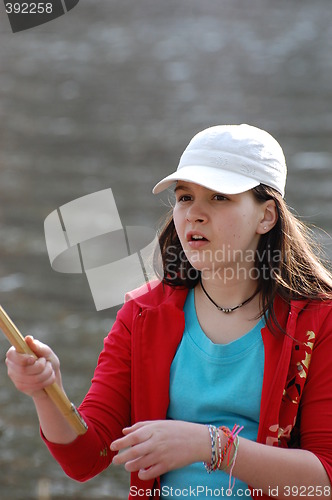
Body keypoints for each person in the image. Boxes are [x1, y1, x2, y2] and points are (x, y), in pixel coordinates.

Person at [6, 124, 332, 499]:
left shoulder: (319, 321)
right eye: (184, 197)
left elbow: (323, 481)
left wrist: (211, 445)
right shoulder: (140, 314)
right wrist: (47, 392)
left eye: (219, 198)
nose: (194, 213)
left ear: (267, 216)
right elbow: (86, 458)